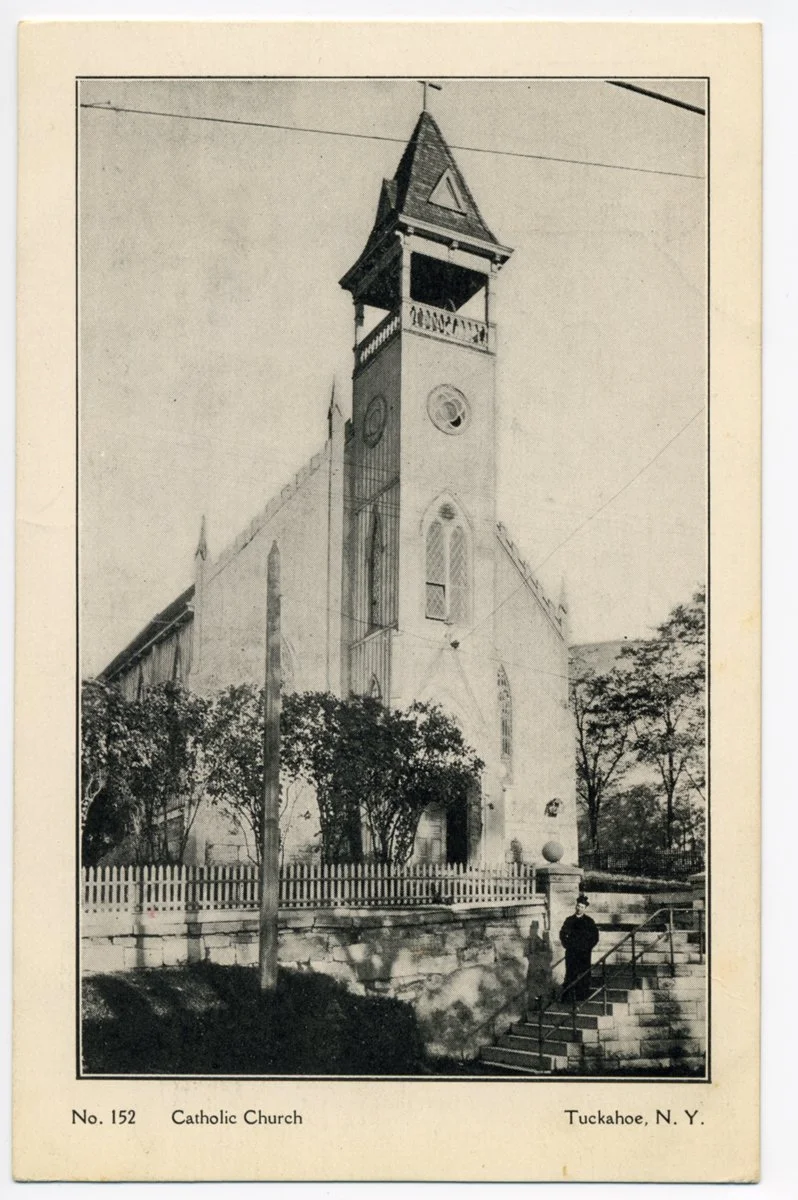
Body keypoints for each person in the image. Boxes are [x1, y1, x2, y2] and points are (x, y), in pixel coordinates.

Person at [559, 893, 599, 1004]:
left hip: (584, 953)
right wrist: (567, 945)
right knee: (570, 973)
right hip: (571, 952)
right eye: (578, 906)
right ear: (575, 906)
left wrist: (587, 947)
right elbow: (562, 933)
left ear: (585, 908)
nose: (579, 909)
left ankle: (583, 997)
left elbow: (595, 937)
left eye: (582, 907)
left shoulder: (589, 922)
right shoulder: (569, 920)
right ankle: (568, 999)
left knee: (584, 974)